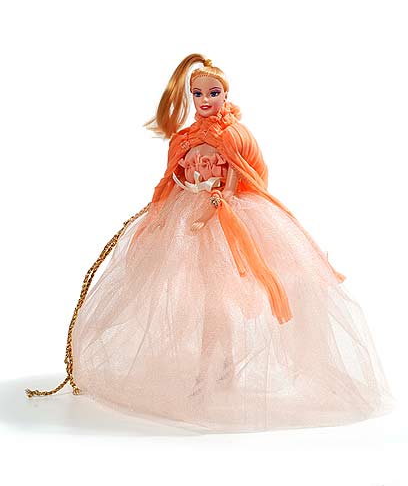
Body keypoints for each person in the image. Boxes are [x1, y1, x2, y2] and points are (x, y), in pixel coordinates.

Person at [26, 53, 395, 433]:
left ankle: (220, 368)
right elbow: (172, 176)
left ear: (225, 94)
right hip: (186, 218)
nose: (205, 100)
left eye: (213, 93)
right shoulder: (184, 137)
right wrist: (163, 208)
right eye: (198, 93)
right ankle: (211, 369)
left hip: (224, 217)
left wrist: (216, 203)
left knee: (224, 296)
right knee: (192, 295)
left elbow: (242, 177)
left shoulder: (233, 135)